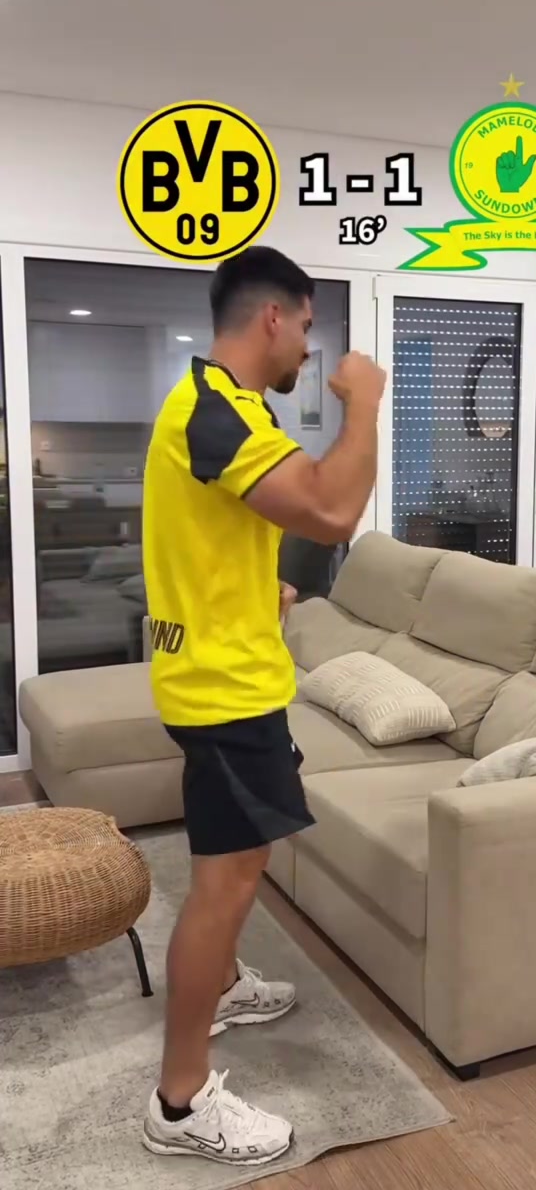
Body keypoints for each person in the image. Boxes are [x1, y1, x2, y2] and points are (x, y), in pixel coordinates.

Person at [141, 246, 385, 1167]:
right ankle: (179, 1103)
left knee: (235, 869)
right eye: (308, 326)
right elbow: (330, 511)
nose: (311, 349)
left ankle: (224, 985)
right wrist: (364, 402)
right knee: (226, 882)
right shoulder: (215, 409)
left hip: (224, 673)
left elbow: (214, 536)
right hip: (223, 692)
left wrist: (261, 592)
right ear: (274, 316)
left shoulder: (225, 406)